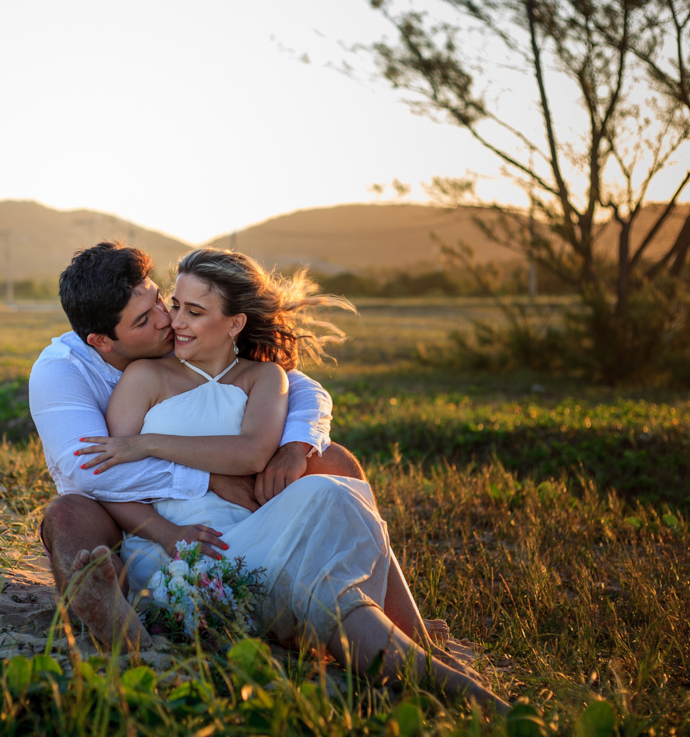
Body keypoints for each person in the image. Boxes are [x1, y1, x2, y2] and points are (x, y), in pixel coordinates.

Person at [73, 248, 507, 712]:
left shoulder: (265, 378)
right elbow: (112, 480)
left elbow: (252, 452)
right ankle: (444, 681)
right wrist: (169, 530)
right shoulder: (145, 376)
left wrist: (150, 443)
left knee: (332, 494)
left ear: (235, 323)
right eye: (175, 304)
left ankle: (444, 679)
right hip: (181, 548)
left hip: (261, 530)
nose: (174, 320)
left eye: (194, 311)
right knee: (324, 553)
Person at [30, 242, 369, 650]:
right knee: (67, 514)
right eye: (143, 320)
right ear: (102, 341)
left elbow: (300, 388)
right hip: (119, 509)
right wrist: (207, 478)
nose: (164, 321)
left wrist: (295, 446)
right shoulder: (61, 372)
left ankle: (384, 605)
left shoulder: (185, 333)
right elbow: (87, 472)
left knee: (330, 460)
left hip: (223, 490)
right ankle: (114, 618)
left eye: (160, 301)